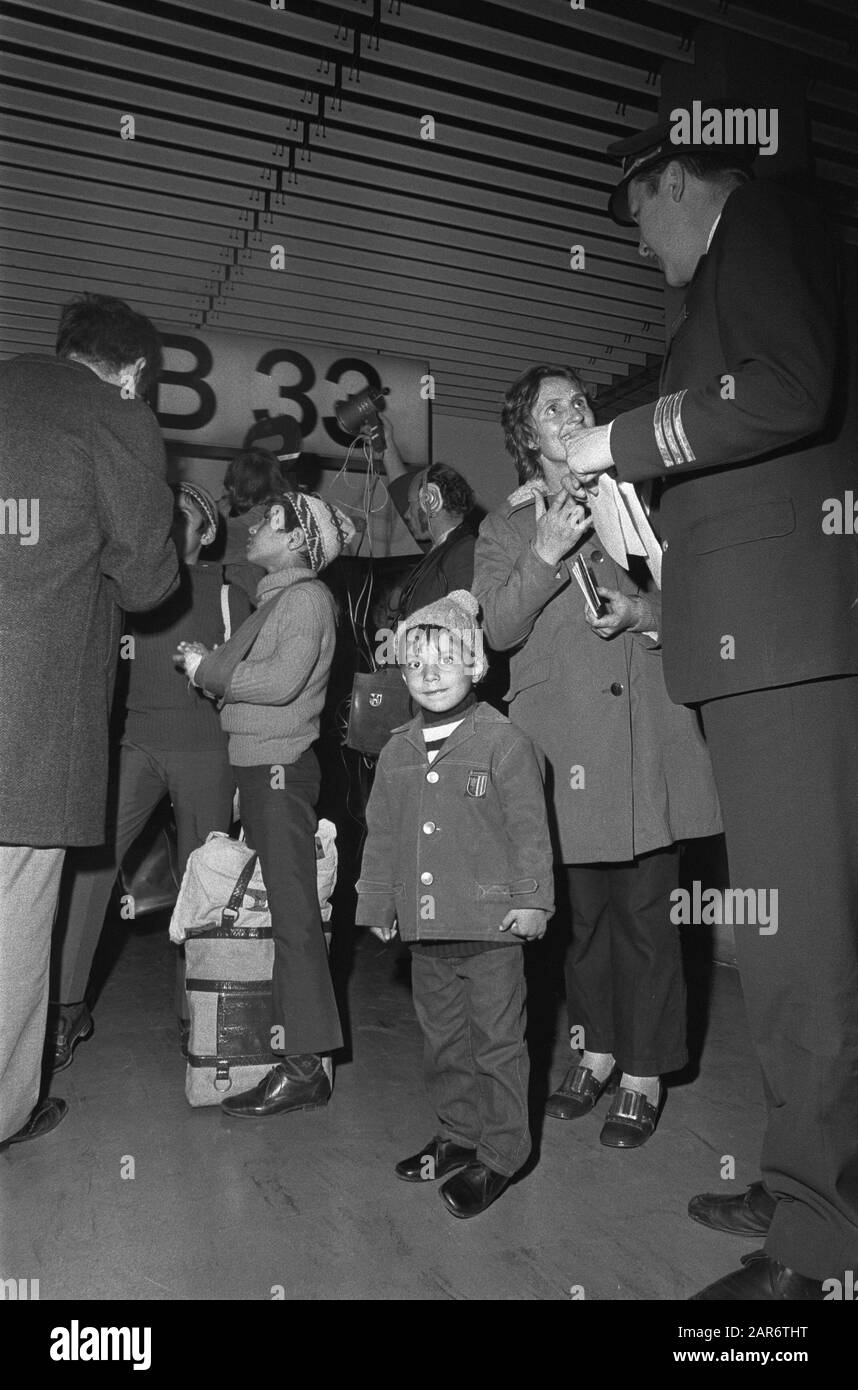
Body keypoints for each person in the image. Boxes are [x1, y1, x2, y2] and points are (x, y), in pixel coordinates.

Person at [562, 118, 858, 1300]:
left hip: (789, 653)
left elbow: (788, 389)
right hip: (756, 649)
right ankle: (812, 1180)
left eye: (635, 214)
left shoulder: (770, 226)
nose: (638, 243)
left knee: (800, 956)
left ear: (675, 178)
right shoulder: (720, 285)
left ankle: (816, 1242)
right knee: (792, 947)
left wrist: (615, 440)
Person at [473, 365, 721, 1149]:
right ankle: (599, 1051)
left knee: (648, 913)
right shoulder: (504, 527)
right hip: (563, 747)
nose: (573, 411)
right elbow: (498, 631)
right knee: (578, 922)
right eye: (554, 407)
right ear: (526, 435)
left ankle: (644, 1073)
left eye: (579, 401)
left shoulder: (642, 500)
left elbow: (702, 600)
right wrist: (545, 551)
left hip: (646, 734)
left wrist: (648, 610)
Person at [0, 292, 179, 1149]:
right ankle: (5, 1111)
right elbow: (148, 584)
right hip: (30, 727)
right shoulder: (113, 417)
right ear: (135, 372)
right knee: (12, 925)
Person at [356, 591, 554, 1218]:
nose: (432, 673)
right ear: (403, 674)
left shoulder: (504, 742)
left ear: (476, 665)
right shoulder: (395, 751)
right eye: (417, 663)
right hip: (428, 931)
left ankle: (501, 1155)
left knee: (497, 1044)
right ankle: (457, 1135)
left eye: (448, 658)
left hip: (493, 929)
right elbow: (382, 835)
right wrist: (378, 903)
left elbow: (529, 831)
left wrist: (533, 900)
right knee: (443, 1042)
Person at [48, 482, 250, 1070]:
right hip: (134, 742)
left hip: (205, 750)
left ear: (207, 530)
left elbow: (245, 683)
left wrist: (240, 770)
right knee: (91, 862)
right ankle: (66, 1007)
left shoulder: (228, 591)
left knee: (202, 881)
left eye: (181, 516)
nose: (165, 525)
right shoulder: (126, 588)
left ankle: (199, 1014)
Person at [174, 490, 354, 1118]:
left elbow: (279, 684)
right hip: (261, 770)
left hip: (280, 773)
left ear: (294, 534)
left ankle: (305, 1065)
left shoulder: (305, 599)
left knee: (295, 919)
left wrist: (207, 672)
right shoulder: (277, 599)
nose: (250, 528)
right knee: (282, 915)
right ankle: (288, 1049)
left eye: (266, 521)